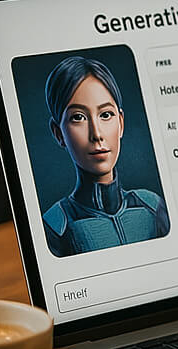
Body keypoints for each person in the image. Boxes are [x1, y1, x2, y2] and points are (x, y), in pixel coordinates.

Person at [42, 55, 169, 258]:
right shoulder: (55, 227)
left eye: (106, 115)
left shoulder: (152, 206)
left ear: (121, 123)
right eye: (78, 117)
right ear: (58, 133)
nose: (97, 134)